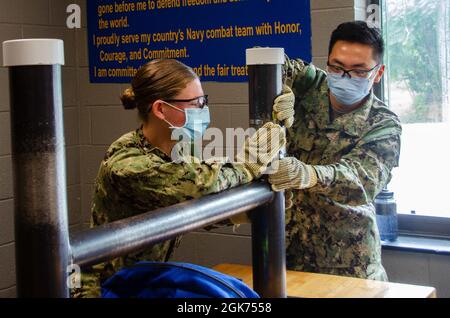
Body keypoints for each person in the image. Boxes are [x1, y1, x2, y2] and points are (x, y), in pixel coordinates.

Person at [72, 59, 286, 297]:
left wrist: (249, 210)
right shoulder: (127, 163)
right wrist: (250, 161)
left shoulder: (178, 148)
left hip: (145, 279)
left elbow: (192, 203)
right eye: (194, 103)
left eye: (204, 101)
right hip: (106, 288)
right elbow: (200, 184)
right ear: (160, 109)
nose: (203, 110)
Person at [269, 21, 402, 281]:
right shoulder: (311, 87)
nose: (344, 77)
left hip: (349, 264)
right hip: (290, 256)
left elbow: (363, 180)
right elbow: (278, 64)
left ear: (378, 73)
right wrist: (282, 88)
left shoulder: (383, 123)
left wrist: (308, 175)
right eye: (337, 67)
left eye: (359, 71)